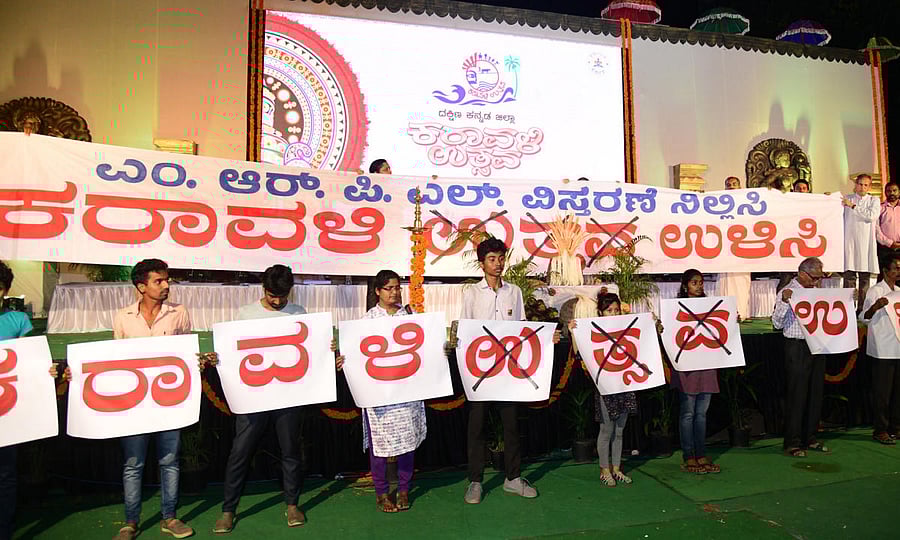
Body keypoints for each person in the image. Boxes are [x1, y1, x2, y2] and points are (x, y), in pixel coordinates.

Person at [111, 259, 214, 540]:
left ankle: (170, 517)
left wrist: (200, 362)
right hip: (134, 404)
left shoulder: (178, 313)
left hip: (170, 402)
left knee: (170, 461)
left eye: (167, 280)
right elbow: (113, 363)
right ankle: (131, 522)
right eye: (159, 281)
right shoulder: (123, 317)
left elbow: (187, 353)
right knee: (133, 464)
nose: (167, 285)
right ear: (141, 286)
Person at [461, 238, 559, 504]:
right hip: (480, 370)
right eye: (492, 259)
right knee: (477, 426)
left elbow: (522, 329)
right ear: (482, 264)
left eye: (501, 258)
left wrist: (546, 338)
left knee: (511, 424)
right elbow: (467, 331)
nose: (498, 264)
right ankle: (475, 481)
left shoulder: (513, 291)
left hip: (509, 369)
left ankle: (513, 478)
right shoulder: (471, 293)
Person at [214, 265, 310, 533]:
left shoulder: (300, 313)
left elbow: (308, 351)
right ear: (262, 289)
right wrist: (218, 357)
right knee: (239, 452)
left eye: (282, 296)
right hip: (253, 397)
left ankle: (292, 504)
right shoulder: (246, 314)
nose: (278, 301)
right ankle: (228, 510)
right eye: (272, 295)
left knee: (290, 450)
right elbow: (232, 352)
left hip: (288, 396)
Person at [354, 269, 426, 513]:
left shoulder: (411, 316)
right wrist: (346, 360)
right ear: (377, 291)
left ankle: (404, 489)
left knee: (407, 439)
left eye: (398, 287)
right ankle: (382, 493)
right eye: (389, 288)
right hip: (380, 393)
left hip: (406, 389)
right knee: (380, 444)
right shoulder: (367, 321)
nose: (395, 292)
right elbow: (356, 354)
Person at [569, 293, 641, 486]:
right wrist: (574, 333)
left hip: (625, 384)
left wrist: (651, 323)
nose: (614, 313)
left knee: (620, 430)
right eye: (609, 310)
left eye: (616, 310)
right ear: (601, 312)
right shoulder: (595, 332)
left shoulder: (626, 329)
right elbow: (578, 354)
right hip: (605, 386)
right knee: (606, 429)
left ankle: (617, 468)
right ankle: (604, 469)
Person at [772, 257, 832, 458]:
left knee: (815, 393)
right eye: (814, 278)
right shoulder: (787, 291)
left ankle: (810, 437)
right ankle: (793, 442)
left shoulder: (816, 292)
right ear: (802, 273)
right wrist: (784, 302)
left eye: (819, 278)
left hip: (817, 345)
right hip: (796, 346)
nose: (816, 282)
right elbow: (777, 324)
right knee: (797, 395)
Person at [0, 261, 37, 540]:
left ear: (6, 290)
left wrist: (47, 368)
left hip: (6, 413)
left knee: (5, 474)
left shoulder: (18, 321)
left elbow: (32, 361)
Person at [671, 270, 720, 474]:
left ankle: (701, 453)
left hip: (707, 366)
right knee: (688, 413)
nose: (699, 286)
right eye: (694, 283)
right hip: (687, 367)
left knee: (701, 414)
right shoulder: (675, 309)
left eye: (700, 282)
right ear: (685, 286)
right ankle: (689, 455)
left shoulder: (712, 307)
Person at [860, 253, 900, 445]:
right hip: (882, 349)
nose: (898, 272)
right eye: (895, 268)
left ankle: (895, 427)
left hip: (898, 346)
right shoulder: (875, 291)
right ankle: (880, 429)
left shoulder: (898, 291)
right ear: (885, 271)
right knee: (882, 393)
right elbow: (863, 317)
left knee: (897, 392)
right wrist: (875, 306)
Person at [842, 174, 879, 311]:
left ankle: (862, 310)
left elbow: (871, 216)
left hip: (866, 246)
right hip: (849, 244)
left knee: (864, 280)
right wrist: (829, 198)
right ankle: (848, 310)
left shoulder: (874, 200)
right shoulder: (847, 198)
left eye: (865, 185)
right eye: (860, 184)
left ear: (869, 187)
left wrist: (853, 206)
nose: (862, 187)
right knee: (849, 279)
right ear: (855, 185)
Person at [719, 176, 751, 321]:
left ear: (739, 187)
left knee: (741, 282)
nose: (731, 187)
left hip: (742, 249)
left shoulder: (747, 205)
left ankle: (741, 313)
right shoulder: (718, 205)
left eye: (734, 184)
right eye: (728, 185)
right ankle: (726, 313)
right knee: (725, 282)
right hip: (725, 250)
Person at [876, 181, 900, 272]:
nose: (892, 193)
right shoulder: (880, 208)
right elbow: (876, 229)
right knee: (884, 275)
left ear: (899, 192)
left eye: (895, 190)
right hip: (885, 248)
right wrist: (890, 243)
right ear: (885, 192)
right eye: (889, 191)